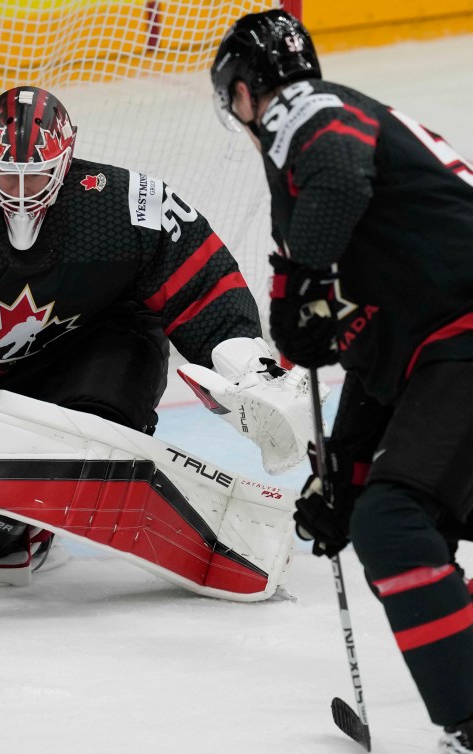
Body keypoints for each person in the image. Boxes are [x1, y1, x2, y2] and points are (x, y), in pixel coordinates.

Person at [0, 85, 314, 592]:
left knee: (90, 440)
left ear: (68, 154)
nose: (21, 191)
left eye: (36, 173)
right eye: (7, 175)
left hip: (90, 360)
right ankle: (6, 515)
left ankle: (79, 463)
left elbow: (198, 280)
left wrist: (243, 359)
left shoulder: (125, 206)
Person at [211, 10, 473, 751]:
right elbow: (375, 355)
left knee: (396, 526)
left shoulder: (302, 107)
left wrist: (296, 280)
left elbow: (335, 166)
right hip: (446, 350)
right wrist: (344, 476)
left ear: (242, 90)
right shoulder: (385, 231)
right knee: (395, 518)